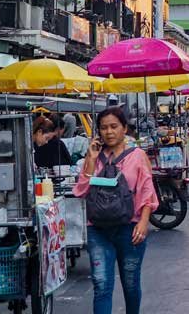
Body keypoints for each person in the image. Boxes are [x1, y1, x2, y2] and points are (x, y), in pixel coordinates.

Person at [73, 107, 158, 314]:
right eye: (103, 128)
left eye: (114, 127)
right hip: (98, 230)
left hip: (129, 229)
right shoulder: (93, 157)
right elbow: (81, 190)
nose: (109, 132)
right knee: (101, 285)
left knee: (130, 283)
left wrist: (143, 222)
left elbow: (147, 192)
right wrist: (91, 160)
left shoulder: (138, 156)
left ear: (124, 129)